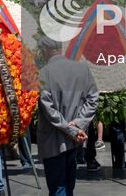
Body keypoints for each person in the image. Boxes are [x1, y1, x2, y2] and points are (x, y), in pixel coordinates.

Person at [36, 36, 99, 196]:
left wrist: (71, 129)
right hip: (75, 141)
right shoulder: (82, 69)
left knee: (58, 187)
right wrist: (78, 125)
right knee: (68, 186)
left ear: (46, 50)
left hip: (54, 141)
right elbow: (93, 99)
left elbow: (48, 109)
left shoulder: (43, 73)